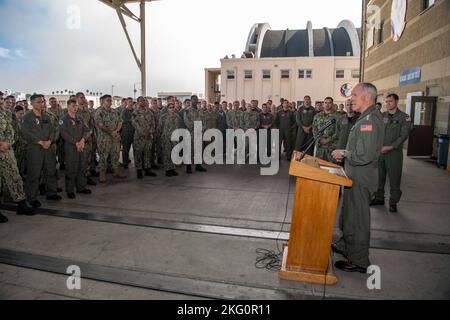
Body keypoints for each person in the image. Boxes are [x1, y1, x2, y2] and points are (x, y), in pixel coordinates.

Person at [331, 83, 384, 273]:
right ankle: (346, 246)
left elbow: (365, 155)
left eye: (354, 94)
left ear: (367, 97)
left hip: (362, 178)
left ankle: (360, 261)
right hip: (354, 176)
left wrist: (344, 153)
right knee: (348, 216)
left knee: (358, 220)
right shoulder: (365, 118)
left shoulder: (370, 121)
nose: (350, 98)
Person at [371, 93, 412, 212]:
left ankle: (393, 202)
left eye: (390, 101)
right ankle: (379, 198)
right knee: (380, 177)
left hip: (394, 153)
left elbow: (403, 135)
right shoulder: (382, 116)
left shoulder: (404, 117)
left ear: (396, 102)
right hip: (381, 152)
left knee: (394, 178)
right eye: (386, 101)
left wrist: (391, 147)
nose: (388, 104)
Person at [21, 94, 61, 208]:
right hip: (35, 149)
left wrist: (50, 140)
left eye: (43, 101)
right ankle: (32, 198)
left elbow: (53, 131)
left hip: (48, 148)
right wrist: (40, 142)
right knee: (34, 174)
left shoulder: (46, 117)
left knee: (51, 171)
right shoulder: (27, 117)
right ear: (32, 103)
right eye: (39, 102)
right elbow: (25, 132)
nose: (42, 103)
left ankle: (51, 193)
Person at [0, 91, 34, 221]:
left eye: (2, 98)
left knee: (15, 176)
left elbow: (12, 131)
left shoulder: (6, 113)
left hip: (6, 151)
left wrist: (7, 143)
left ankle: (21, 205)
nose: (1, 101)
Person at [59, 99, 92, 199]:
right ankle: (70, 190)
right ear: (68, 106)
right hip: (71, 147)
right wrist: (75, 142)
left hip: (81, 146)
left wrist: (82, 140)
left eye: (76, 106)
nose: (75, 107)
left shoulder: (80, 118)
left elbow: (87, 130)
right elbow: (63, 133)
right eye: (73, 106)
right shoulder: (63, 119)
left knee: (82, 167)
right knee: (71, 169)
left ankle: (81, 187)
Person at [94, 95, 126, 183]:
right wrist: (111, 132)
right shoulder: (99, 112)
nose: (110, 102)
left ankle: (116, 171)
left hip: (115, 137)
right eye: (108, 100)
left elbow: (120, 121)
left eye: (111, 101)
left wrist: (116, 131)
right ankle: (102, 175)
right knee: (103, 157)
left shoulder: (114, 111)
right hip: (104, 139)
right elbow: (100, 125)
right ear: (103, 101)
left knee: (115, 155)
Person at [132, 96, 157, 179]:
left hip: (149, 136)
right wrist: (144, 133)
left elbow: (153, 123)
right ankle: (139, 171)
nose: (143, 102)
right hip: (139, 137)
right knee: (138, 154)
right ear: (138, 102)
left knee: (147, 153)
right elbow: (135, 124)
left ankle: (147, 170)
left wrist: (150, 132)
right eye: (141, 101)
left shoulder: (149, 112)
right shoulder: (135, 112)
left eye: (145, 101)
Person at [183, 95, 207, 173]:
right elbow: (187, 122)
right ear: (191, 100)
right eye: (194, 99)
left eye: (196, 99)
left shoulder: (200, 110)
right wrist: (195, 129)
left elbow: (204, 121)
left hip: (199, 133)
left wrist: (202, 129)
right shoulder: (187, 111)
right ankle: (188, 167)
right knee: (189, 150)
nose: (195, 101)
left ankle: (198, 165)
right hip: (191, 133)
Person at [312, 97, 338, 162]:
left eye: (329, 103)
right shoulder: (317, 116)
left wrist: (328, 140)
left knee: (331, 167)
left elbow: (339, 132)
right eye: (325, 103)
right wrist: (319, 139)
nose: (327, 104)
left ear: (332, 104)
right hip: (320, 147)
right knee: (318, 165)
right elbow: (314, 129)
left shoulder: (338, 116)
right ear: (323, 104)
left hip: (331, 147)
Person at [160, 103, 181, 177]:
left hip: (175, 138)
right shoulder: (163, 117)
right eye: (170, 107)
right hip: (166, 138)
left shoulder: (177, 117)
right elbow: (160, 127)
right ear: (167, 109)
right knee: (167, 154)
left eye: (173, 107)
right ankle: (167, 170)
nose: (172, 109)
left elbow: (179, 127)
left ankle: (172, 169)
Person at [121, 99, 135, 169]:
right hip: (126, 132)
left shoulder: (135, 111)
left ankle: (137, 163)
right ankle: (125, 163)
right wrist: (132, 120)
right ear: (127, 103)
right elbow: (122, 120)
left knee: (136, 148)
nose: (131, 103)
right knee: (126, 148)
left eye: (132, 102)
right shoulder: (124, 111)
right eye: (129, 102)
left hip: (134, 132)